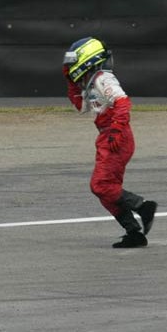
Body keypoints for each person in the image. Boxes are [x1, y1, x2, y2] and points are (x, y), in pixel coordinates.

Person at [62, 37, 157, 248]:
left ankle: (142, 206)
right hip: (108, 136)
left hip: (116, 136)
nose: (69, 68)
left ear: (86, 59)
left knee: (101, 185)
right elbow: (81, 106)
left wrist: (116, 129)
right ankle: (134, 233)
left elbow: (123, 101)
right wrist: (70, 83)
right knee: (105, 189)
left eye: (71, 64)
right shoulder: (91, 81)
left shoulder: (103, 78)